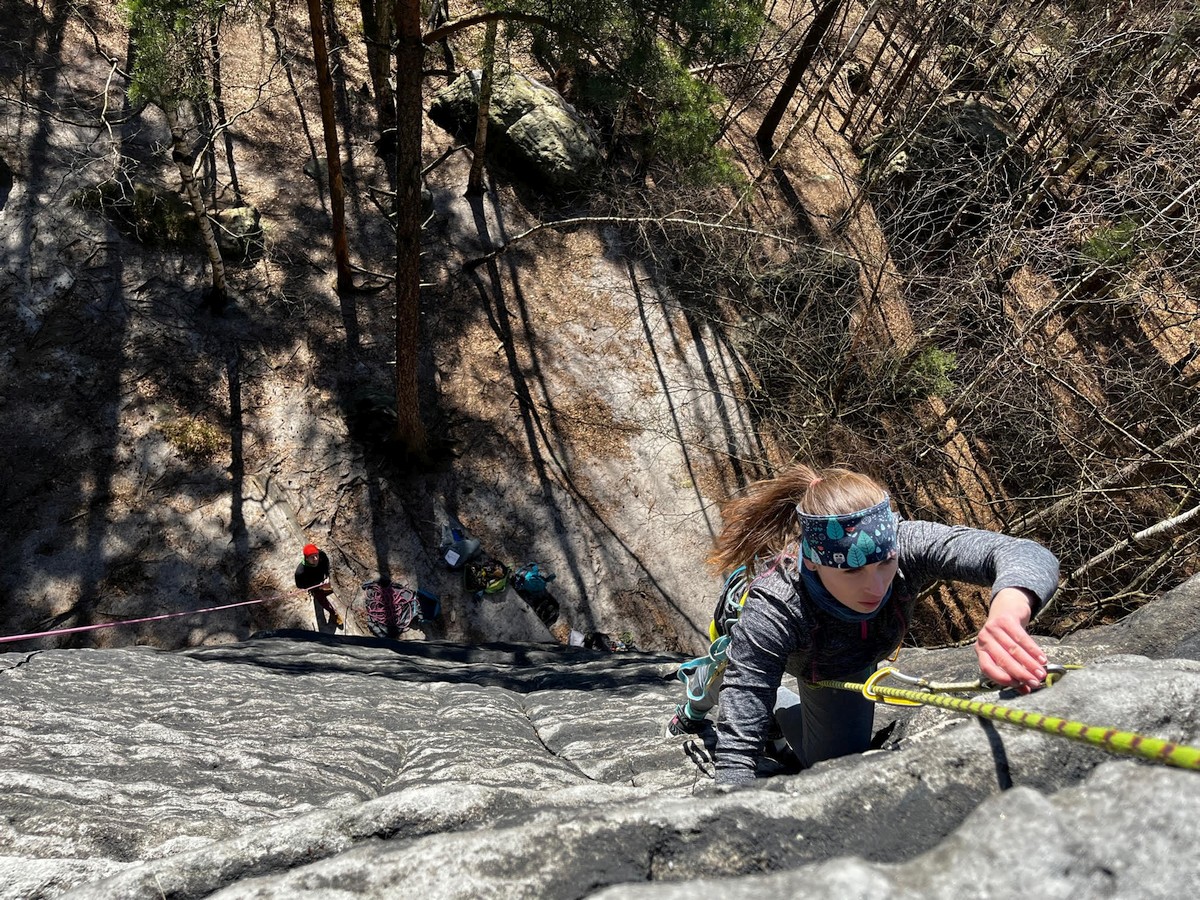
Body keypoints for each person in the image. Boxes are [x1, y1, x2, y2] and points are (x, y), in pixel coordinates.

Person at [696, 465, 1059, 786]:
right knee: (761, 692)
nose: (875, 586)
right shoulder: (776, 604)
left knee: (833, 763)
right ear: (814, 564)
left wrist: (1007, 612)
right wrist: (734, 795)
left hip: (847, 662)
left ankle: (771, 699)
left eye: (885, 563)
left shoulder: (905, 542)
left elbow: (1024, 553)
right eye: (851, 570)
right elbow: (739, 737)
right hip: (811, 663)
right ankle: (728, 671)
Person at [294, 543, 343, 630]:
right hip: (314, 586)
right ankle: (334, 614)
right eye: (312, 557)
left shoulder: (321, 555)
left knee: (329, 589)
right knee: (322, 600)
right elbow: (300, 585)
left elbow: (326, 564)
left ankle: (325, 590)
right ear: (306, 558)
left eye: (316, 555)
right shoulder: (300, 571)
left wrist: (327, 576)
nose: (316, 559)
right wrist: (316, 586)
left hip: (323, 580)